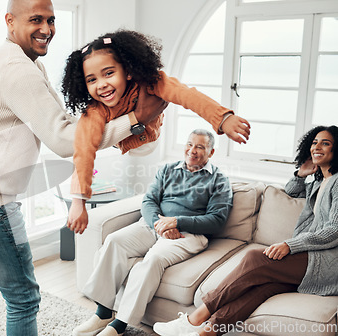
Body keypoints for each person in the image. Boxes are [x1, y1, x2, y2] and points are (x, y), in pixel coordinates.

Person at [0, 1, 167, 335]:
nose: (46, 28)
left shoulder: (25, 63)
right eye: (35, 20)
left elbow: (60, 124)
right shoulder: (17, 71)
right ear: (10, 21)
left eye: (50, 20)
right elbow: (63, 140)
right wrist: (135, 119)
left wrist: (124, 126)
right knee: (23, 298)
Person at [153, 125, 338, 336]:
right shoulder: (318, 182)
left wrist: (290, 244)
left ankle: (195, 318)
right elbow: (292, 191)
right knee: (262, 289)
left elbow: (334, 229)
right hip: (311, 257)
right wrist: (300, 174)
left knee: (254, 257)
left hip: (328, 262)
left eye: (325, 143)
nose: (317, 147)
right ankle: (206, 333)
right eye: (314, 142)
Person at [62, 29, 250, 235]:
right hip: (123, 143)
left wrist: (223, 118)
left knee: (171, 88)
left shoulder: (151, 81)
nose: (102, 85)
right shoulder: (95, 110)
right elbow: (83, 152)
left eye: (109, 73)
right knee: (85, 134)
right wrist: (78, 202)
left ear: (128, 71)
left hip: (149, 140)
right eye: (92, 80)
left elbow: (187, 96)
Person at [72, 129, 234, 336]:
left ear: (211, 153)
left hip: (187, 235)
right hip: (153, 225)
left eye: (200, 147)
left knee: (153, 259)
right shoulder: (167, 169)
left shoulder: (219, 180)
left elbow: (216, 221)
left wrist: (177, 222)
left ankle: (120, 325)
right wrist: (159, 224)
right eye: (189, 144)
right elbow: (149, 201)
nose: (192, 151)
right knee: (114, 241)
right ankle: (103, 312)